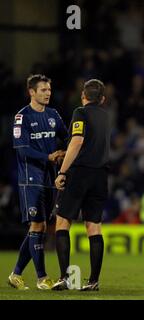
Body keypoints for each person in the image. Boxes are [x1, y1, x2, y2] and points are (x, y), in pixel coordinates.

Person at [8, 74, 67, 290]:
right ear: (31, 92)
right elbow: (22, 150)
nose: (48, 93)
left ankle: (15, 274)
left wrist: (65, 151)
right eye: (43, 90)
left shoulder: (53, 115)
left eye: (49, 90)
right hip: (30, 178)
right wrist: (49, 157)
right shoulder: (21, 117)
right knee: (37, 225)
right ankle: (42, 277)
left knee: (40, 227)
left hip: (50, 177)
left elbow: (67, 136)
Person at [52, 79, 111, 291]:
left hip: (79, 174)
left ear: (83, 96)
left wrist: (62, 171)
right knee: (93, 226)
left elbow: (77, 142)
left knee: (62, 222)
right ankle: (93, 281)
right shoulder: (106, 115)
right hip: (101, 175)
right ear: (102, 99)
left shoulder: (80, 112)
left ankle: (65, 277)